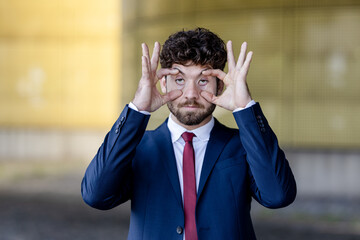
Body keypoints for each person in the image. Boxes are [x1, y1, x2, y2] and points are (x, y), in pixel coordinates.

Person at [81, 27, 296, 240]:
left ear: (219, 86)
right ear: (163, 83)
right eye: (180, 80)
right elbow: (96, 195)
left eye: (202, 81)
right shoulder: (138, 146)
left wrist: (245, 108)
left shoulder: (242, 145)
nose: (190, 94)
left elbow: (278, 196)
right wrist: (138, 108)